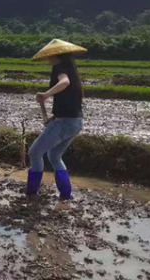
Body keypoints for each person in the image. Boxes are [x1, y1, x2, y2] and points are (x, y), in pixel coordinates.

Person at [26, 39, 87, 200]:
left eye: (49, 56)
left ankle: (31, 192)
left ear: (56, 56)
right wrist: (55, 115)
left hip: (65, 122)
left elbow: (64, 82)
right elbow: (68, 97)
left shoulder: (59, 68)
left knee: (34, 152)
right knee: (54, 156)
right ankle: (66, 195)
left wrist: (46, 95)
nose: (48, 59)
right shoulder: (71, 69)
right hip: (75, 121)